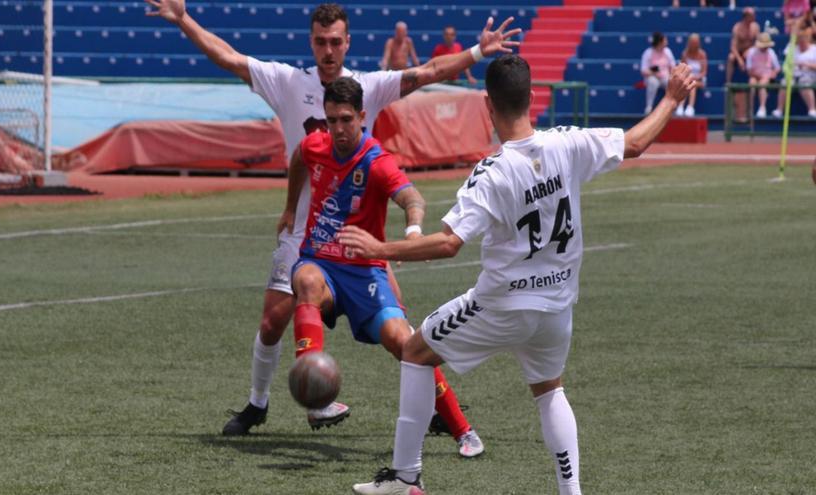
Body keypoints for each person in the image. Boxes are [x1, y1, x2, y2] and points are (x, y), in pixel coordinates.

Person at [145, 0, 520, 451]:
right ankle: (260, 404)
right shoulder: (288, 82)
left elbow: (427, 72)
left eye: (335, 41)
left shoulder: (367, 89)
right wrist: (184, 19)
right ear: (312, 42)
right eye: (320, 41)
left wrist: (477, 54)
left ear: (347, 43)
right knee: (272, 320)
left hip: (360, 241)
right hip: (308, 239)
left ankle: (450, 418)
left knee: (402, 337)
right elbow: (231, 61)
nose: (328, 49)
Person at [341, 54, 696, 495]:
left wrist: (380, 248)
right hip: (557, 307)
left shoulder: (491, 172)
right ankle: (572, 492)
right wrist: (672, 97)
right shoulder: (567, 143)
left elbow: (449, 243)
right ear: (532, 97)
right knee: (549, 390)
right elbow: (636, 143)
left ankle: (406, 478)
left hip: (502, 305)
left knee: (415, 351)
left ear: (487, 104)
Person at [282, 76, 484, 461]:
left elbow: (412, 198)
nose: (338, 129)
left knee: (405, 342)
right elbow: (297, 160)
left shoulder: (376, 162)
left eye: (345, 119)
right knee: (305, 280)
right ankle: (315, 397)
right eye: (331, 121)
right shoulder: (314, 146)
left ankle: (462, 428)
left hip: (364, 272)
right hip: (320, 262)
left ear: (361, 116)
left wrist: (412, 231)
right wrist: (291, 207)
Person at [773, 26, 816, 118]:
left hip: (809, 75)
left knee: (804, 83)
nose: (801, 43)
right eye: (799, 40)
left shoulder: (814, 49)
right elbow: (786, 64)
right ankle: (779, 110)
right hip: (793, 75)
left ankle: (812, 109)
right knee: (785, 83)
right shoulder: (791, 48)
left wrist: (806, 64)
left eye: (803, 40)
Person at [727, 7, 761, 123]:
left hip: (752, 52)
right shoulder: (737, 27)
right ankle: (728, 81)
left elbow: (758, 43)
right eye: (752, 15)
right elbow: (733, 46)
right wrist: (739, 59)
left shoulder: (756, 27)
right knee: (730, 58)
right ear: (746, 16)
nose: (754, 17)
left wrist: (749, 51)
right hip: (739, 53)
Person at [746, 32, 781, 118]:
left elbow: (777, 68)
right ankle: (750, 109)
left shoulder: (771, 52)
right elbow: (749, 70)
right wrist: (758, 75)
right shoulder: (751, 52)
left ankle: (762, 108)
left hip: (766, 77)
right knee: (752, 82)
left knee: (762, 84)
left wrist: (773, 74)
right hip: (754, 75)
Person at [640, 31, 676, 113]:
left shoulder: (668, 52)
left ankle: (672, 107)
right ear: (660, 42)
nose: (666, 42)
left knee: (672, 83)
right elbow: (643, 70)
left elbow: (673, 66)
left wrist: (671, 76)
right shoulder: (648, 52)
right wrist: (654, 73)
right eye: (665, 40)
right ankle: (649, 107)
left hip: (665, 77)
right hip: (653, 77)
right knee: (653, 82)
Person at [678, 33, 708, 116]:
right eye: (692, 42)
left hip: (700, 80)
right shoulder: (685, 54)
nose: (694, 44)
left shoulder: (702, 54)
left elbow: (704, 72)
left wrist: (695, 77)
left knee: (692, 83)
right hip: (688, 79)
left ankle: (690, 107)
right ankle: (680, 107)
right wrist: (689, 77)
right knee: (689, 83)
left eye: (695, 42)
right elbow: (682, 69)